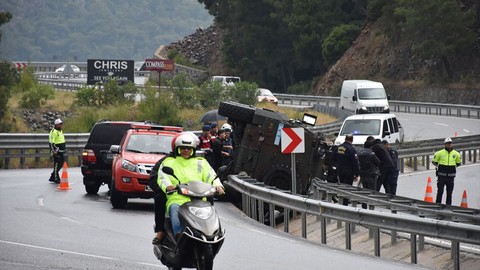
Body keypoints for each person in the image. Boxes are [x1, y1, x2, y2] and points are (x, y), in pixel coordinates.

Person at [157, 133, 225, 236]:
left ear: (193, 150)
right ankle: (179, 237)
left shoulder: (201, 162)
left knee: (211, 213)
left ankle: (212, 234)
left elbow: (211, 175)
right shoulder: (169, 162)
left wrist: (218, 186)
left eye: (189, 149)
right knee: (175, 210)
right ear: (177, 149)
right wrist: (168, 186)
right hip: (177, 199)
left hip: (199, 199)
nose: (186, 151)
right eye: (183, 148)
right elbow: (162, 177)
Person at [432, 137, 461, 205]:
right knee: (440, 192)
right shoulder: (439, 153)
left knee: (449, 193)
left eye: (450, 143)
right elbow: (434, 162)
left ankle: (448, 207)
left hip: (451, 177)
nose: (449, 145)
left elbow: (458, 163)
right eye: (447, 143)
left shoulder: (456, 154)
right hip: (441, 176)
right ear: (445, 144)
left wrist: (451, 168)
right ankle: (437, 205)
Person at [333, 134, 359, 205]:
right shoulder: (351, 149)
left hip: (340, 171)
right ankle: (345, 203)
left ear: (345, 139)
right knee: (347, 188)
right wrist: (357, 174)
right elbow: (355, 162)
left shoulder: (338, 148)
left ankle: (341, 201)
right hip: (349, 172)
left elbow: (333, 158)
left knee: (341, 186)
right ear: (352, 140)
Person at [48, 118, 66, 183]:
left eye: (61, 124)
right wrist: (54, 151)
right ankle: (56, 178)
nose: (61, 125)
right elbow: (51, 143)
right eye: (60, 124)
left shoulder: (60, 131)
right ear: (56, 125)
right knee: (57, 164)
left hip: (61, 150)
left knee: (61, 163)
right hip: (56, 151)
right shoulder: (53, 132)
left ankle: (52, 176)